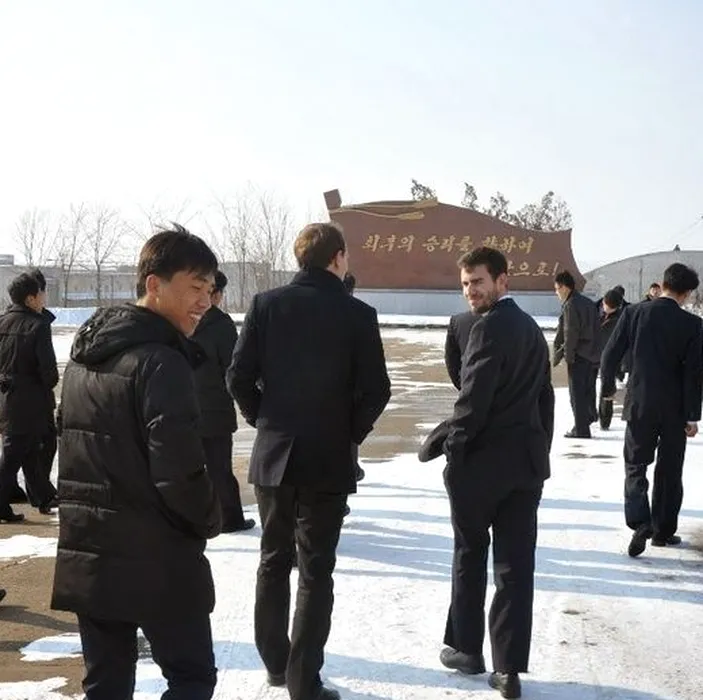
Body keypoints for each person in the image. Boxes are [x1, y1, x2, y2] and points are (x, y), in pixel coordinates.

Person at [51, 225, 222, 700]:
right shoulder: (161, 362)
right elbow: (179, 472)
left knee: (105, 686)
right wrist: (209, 518)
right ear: (154, 284)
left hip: (92, 550)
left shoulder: (85, 356)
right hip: (156, 556)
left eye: (210, 290)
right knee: (191, 678)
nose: (204, 301)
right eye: (195, 287)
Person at [228, 222, 390, 700]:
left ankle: (275, 665)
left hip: (274, 454)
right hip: (327, 457)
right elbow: (377, 389)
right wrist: (349, 433)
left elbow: (237, 377)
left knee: (273, 560)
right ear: (337, 257)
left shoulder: (266, 304)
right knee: (316, 571)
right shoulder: (358, 314)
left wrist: (265, 420)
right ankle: (303, 681)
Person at [421, 247, 554, 700]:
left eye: (477, 282)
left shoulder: (488, 327)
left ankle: (466, 649)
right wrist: (540, 453)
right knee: (516, 567)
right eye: (464, 284)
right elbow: (545, 400)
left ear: (502, 280)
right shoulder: (531, 328)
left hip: (482, 465)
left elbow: (472, 399)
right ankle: (508, 669)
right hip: (525, 466)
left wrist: (454, 450)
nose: (470, 292)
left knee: (470, 554)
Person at [601, 262, 703, 558]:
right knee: (670, 469)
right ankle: (662, 530)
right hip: (674, 409)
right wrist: (692, 415)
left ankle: (639, 521)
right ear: (686, 293)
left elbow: (609, 355)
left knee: (635, 464)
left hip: (640, 403)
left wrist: (607, 388)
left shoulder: (633, 313)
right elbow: (694, 374)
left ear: (663, 283)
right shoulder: (693, 325)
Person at [193, 270, 255, 533]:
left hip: (181, 406)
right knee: (219, 469)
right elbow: (233, 367)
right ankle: (229, 519)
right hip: (215, 408)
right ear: (216, 294)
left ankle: (195, 517)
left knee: (187, 468)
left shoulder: (180, 318)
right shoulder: (221, 325)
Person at [0, 273, 59, 522]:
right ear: (30, 298)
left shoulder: (2, 322)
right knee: (14, 454)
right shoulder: (37, 326)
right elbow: (49, 373)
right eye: (41, 292)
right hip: (31, 401)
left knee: (30, 450)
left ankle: (43, 495)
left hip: (6, 398)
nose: (44, 297)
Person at [553, 270, 600, 438]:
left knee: (577, 394)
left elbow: (570, 333)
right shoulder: (588, 303)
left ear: (565, 287)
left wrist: (568, 356)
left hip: (579, 355)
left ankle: (581, 429)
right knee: (587, 392)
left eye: (557, 289)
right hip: (592, 354)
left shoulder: (571, 304)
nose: (556, 293)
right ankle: (587, 419)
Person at [596, 289, 624, 430]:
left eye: (612, 308)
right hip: (591, 353)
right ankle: (591, 414)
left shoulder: (621, 319)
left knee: (607, 387)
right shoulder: (594, 310)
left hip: (610, 356)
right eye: (607, 305)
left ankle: (605, 419)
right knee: (588, 387)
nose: (607, 308)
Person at [444, 308, 479, 390]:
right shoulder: (508, 319)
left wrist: (463, 386)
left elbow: (451, 360)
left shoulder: (459, 321)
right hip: (504, 391)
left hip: (470, 386)